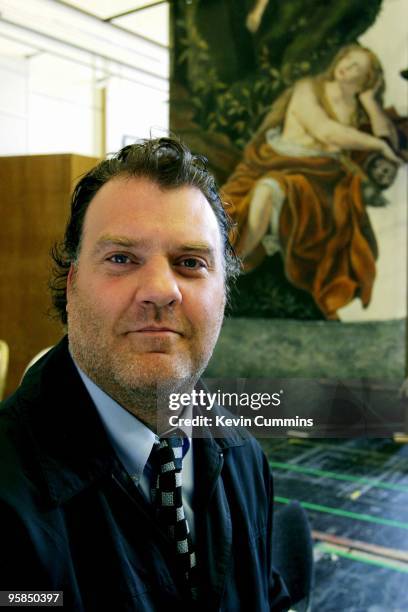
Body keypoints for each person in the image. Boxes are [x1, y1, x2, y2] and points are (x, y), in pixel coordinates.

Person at [0, 138, 291, 611]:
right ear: (72, 286)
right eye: (121, 259)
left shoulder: (243, 455)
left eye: (190, 263)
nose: (160, 290)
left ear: (224, 293)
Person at [221, 44, 403, 320]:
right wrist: (377, 145)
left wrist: (369, 100)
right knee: (265, 191)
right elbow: (325, 131)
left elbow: (387, 137)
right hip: (279, 160)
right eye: (347, 59)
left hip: (319, 174)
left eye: (358, 68)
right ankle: (229, 269)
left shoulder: (356, 106)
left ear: (367, 79)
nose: (346, 66)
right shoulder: (309, 88)